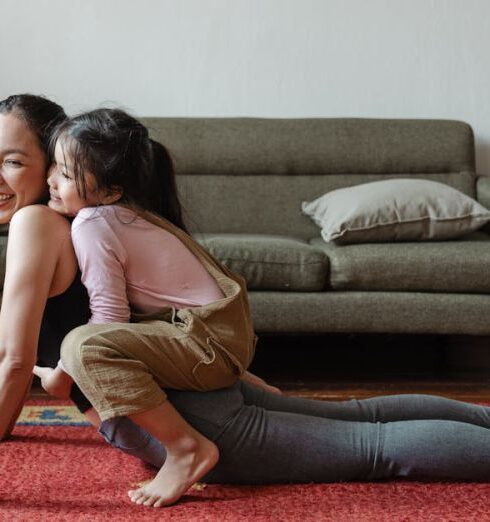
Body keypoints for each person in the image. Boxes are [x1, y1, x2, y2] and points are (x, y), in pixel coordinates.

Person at [34, 107, 263, 507]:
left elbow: (109, 318)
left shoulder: (93, 222)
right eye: (55, 164)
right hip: (218, 339)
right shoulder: (125, 215)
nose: (52, 179)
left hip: (208, 346)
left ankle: (186, 448)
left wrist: (61, 374)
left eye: (67, 174)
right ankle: (247, 382)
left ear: (110, 191)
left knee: (83, 345)